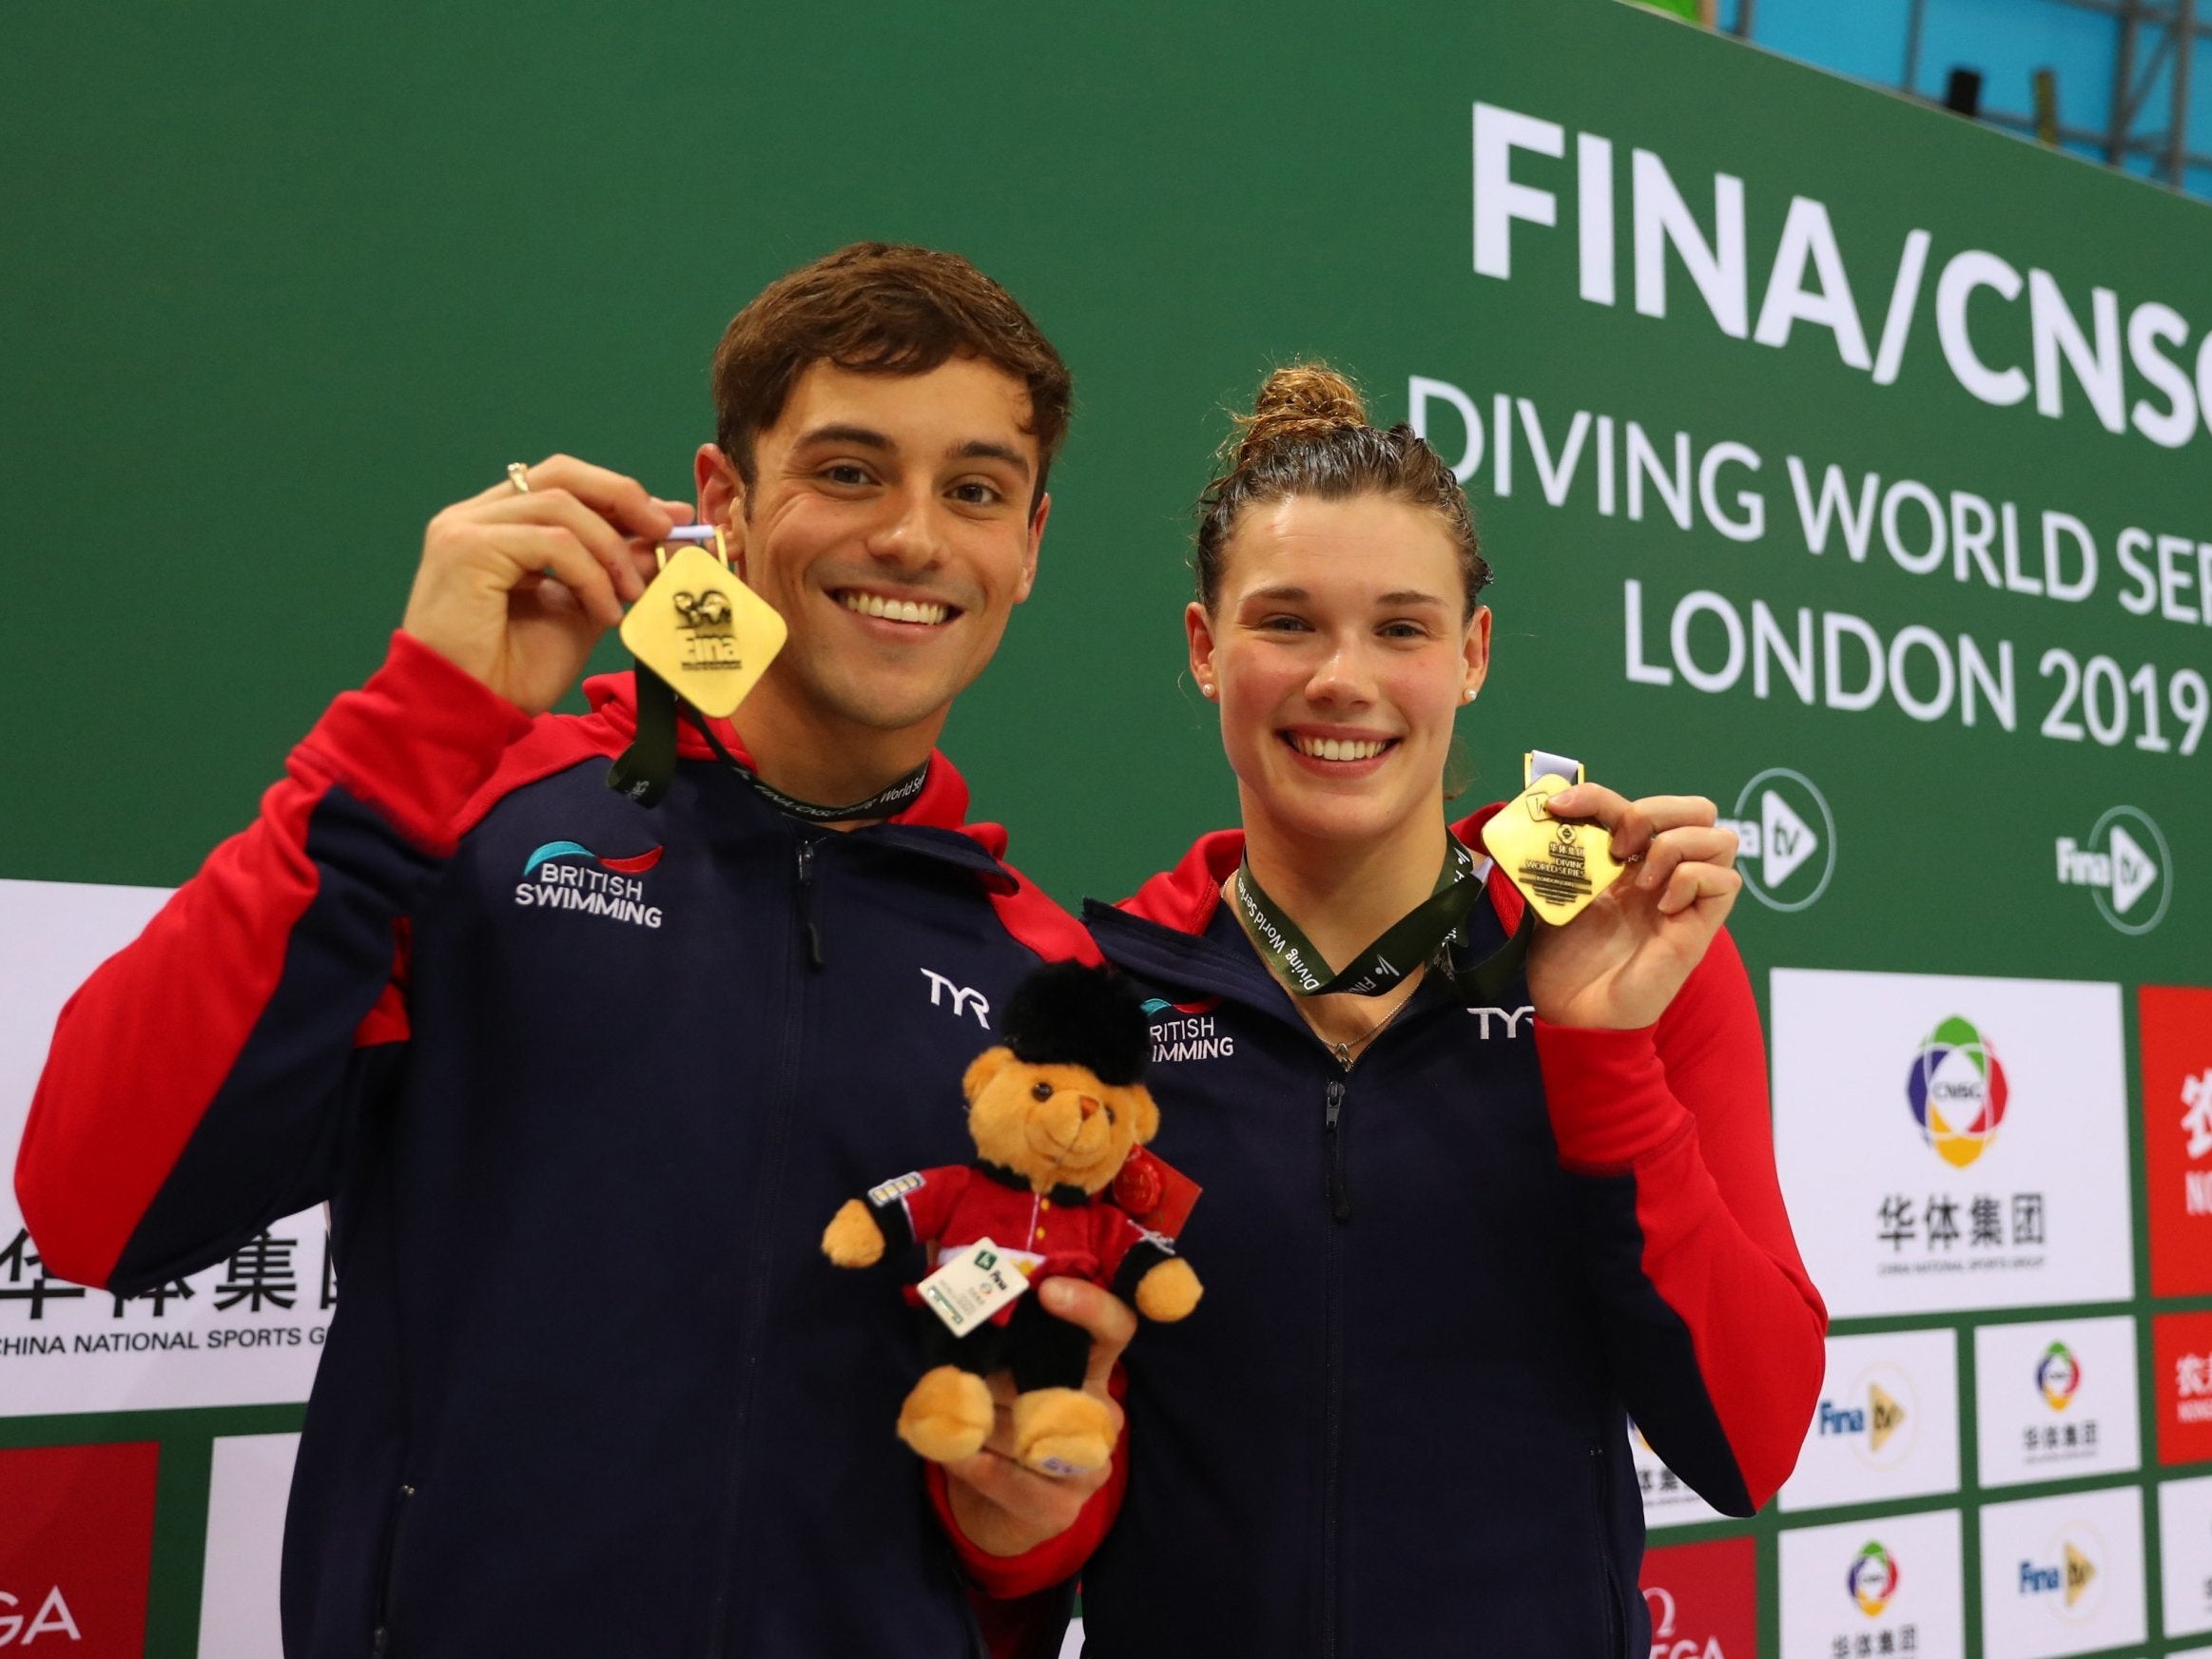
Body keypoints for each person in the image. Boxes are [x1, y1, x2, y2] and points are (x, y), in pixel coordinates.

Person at [13, 242, 1126, 1658]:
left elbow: (1028, 1512)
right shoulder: (476, 814)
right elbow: (95, 1204)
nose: (912, 537)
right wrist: (413, 723)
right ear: (721, 502)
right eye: (847, 471)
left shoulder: (1036, 972)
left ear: (1028, 544)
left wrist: (1032, 1532)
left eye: (973, 490)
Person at [1025, 365, 1828, 1654]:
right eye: (1285, 621)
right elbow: (1032, 1500)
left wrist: (1600, 1053)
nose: (1343, 679)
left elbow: (1752, 1437)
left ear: (1471, 655)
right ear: (1201, 647)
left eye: (1401, 628)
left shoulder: (1622, 958)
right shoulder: (1100, 995)